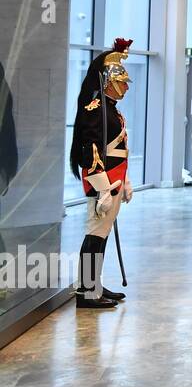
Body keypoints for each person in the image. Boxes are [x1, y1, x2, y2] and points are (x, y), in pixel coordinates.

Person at [69, 38, 134, 310]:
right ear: (109, 82)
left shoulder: (111, 111)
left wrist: (125, 182)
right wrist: (102, 188)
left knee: (102, 235)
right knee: (94, 235)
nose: (126, 88)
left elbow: (118, 149)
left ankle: (94, 283)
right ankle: (86, 290)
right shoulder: (96, 110)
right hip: (103, 183)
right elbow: (92, 150)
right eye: (122, 83)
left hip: (115, 180)